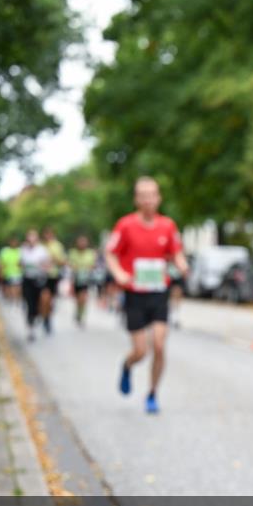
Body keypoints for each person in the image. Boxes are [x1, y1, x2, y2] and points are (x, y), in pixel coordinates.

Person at [105, 177, 188, 414]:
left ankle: (152, 394)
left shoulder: (168, 226)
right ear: (136, 199)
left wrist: (182, 265)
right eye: (143, 195)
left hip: (159, 293)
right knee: (141, 351)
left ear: (159, 198)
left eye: (152, 194)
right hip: (134, 295)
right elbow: (110, 253)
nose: (148, 199)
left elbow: (176, 253)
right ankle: (127, 365)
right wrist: (120, 273)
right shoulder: (125, 225)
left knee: (159, 346)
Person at [19, 229, 51, 342]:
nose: (31, 240)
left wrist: (42, 266)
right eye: (29, 237)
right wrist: (24, 266)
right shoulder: (23, 250)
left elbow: (48, 265)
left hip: (39, 279)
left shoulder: (42, 250)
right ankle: (31, 328)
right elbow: (20, 264)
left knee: (41, 301)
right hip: (27, 280)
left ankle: (41, 317)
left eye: (33, 237)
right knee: (29, 303)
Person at [41, 226, 66, 335]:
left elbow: (63, 262)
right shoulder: (40, 246)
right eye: (46, 234)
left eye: (50, 234)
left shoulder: (58, 246)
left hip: (53, 276)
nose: (48, 236)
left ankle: (47, 318)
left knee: (49, 300)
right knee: (43, 298)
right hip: (41, 276)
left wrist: (54, 259)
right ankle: (43, 316)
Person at [67, 235, 97, 327]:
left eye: (84, 242)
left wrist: (88, 268)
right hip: (75, 278)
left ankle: (81, 315)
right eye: (80, 242)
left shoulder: (90, 253)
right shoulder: (72, 252)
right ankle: (78, 311)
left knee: (83, 297)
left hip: (86, 278)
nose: (82, 244)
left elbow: (93, 265)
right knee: (77, 298)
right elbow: (69, 264)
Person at [0, 236, 22, 302]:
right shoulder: (5, 251)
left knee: (17, 290)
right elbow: (1, 263)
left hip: (18, 274)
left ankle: (16, 303)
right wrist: (0, 272)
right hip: (7, 274)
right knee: (9, 291)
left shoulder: (20, 251)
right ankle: (10, 303)